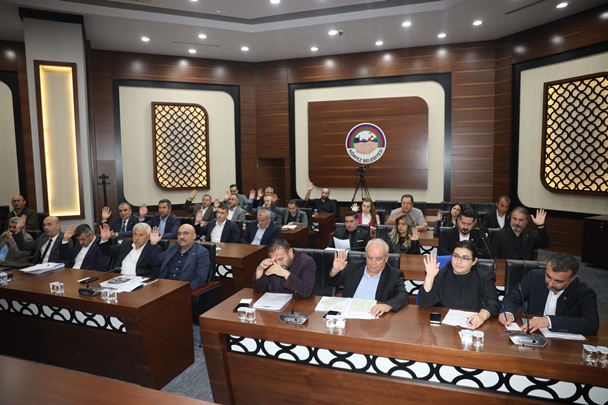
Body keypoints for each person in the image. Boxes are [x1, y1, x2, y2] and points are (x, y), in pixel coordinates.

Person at [498, 253, 599, 335]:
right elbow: (512, 296)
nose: (550, 284)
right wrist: (507, 312)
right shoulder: (534, 277)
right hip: (533, 335)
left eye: (558, 281)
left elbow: (591, 324)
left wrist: (549, 321)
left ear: (572, 279)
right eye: (548, 276)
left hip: (563, 345)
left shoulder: (584, 292)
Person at [419, 241, 499, 329]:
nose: (459, 261)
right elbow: (424, 302)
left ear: (474, 261)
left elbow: (493, 303)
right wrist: (430, 277)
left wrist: (481, 316)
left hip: (473, 326)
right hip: (444, 327)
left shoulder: (484, 277)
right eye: (456, 256)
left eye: (465, 258)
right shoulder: (441, 274)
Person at [328, 239, 408, 316]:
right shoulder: (353, 267)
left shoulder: (394, 275)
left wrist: (386, 306)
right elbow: (333, 282)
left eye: (378, 259)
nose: (373, 263)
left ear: (386, 258)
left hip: (374, 318)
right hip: (349, 315)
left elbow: (403, 295)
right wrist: (335, 270)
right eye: (370, 258)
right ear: (366, 256)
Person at [148, 224, 210, 289]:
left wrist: (181, 289)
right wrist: (153, 244)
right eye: (179, 234)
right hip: (164, 286)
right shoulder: (172, 247)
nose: (181, 237)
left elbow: (200, 280)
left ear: (194, 236)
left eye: (185, 233)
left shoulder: (202, 253)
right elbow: (155, 262)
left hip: (182, 289)